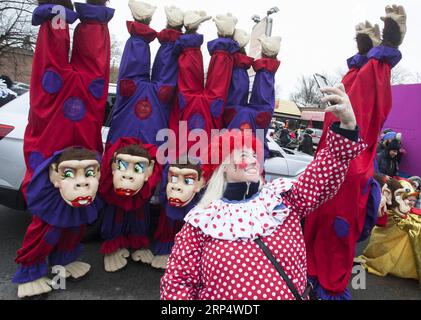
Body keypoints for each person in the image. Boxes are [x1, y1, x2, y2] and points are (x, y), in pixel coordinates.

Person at [160, 83, 366, 300]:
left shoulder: (282, 200)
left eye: (252, 155)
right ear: (223, 168)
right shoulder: (201, 221)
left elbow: (323, 172)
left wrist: (347, 125)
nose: (250, 160)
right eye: (240, 155)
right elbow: (177, 284)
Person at [304, 5, 407, 299]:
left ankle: (378, 56)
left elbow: (367, 111)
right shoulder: (338, 153)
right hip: (329, 195)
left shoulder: (356, 155)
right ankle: (371, 57)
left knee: (353, 115)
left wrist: (383, 54)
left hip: (343, 192)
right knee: (341, 109)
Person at [358, 177, 421, 286]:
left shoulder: (401, 207)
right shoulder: (393, 212)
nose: (410, 202)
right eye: (406, 198)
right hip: (392, 229)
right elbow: (401, 221)